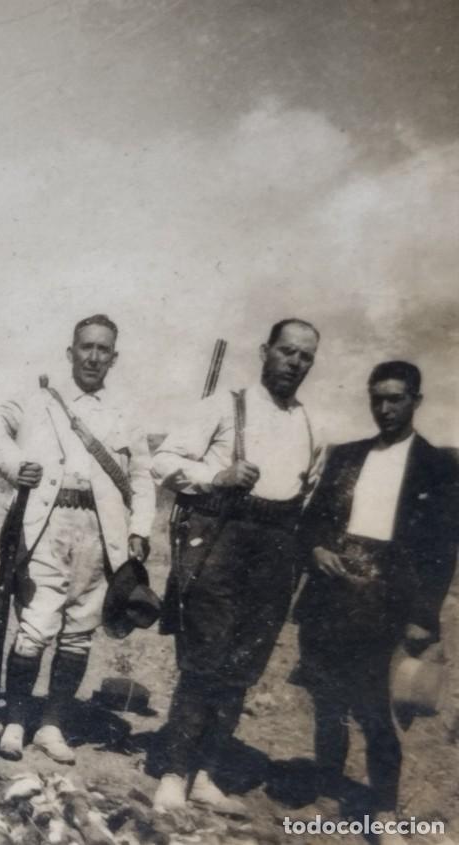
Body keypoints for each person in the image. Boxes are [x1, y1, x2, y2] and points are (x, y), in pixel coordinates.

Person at [151, 318, 324, 815]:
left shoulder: (312, 424)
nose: (295, 363)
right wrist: (217, 475)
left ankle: (206, 775)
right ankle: (174, 774)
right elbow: (162, 460)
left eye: (306, 357)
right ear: (266, 351)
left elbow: (309, 491)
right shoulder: (224, 405)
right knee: (206, 656)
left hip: (276, 550)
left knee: (243, 665)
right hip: (221, 538)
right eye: (287, 351)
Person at [0, 314, 155, 763]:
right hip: (48, 522)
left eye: (103, 349)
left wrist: (139, 528)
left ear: (114, 357)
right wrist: (15, 465)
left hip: (100, 532)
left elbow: (142, 475)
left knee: (79, 631)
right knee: (36, 625)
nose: (93, 357)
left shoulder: (125, 412)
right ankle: (15, 721)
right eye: (86, 347)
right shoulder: (39, 400)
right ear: (70, 351)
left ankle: (52, 725)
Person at [292, 361, 458, 821]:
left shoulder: (438, 467)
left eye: (395, 399)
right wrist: (317, 549)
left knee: (376, 709)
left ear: (416, 401)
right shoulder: (345, 456)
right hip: (332, 596)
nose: (385, 409)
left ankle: (383, 810)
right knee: (328, 702)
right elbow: (312, 522)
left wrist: (423, 616)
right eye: (377, 399)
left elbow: (443, 550)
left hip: (388, 604)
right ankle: (326, 795)